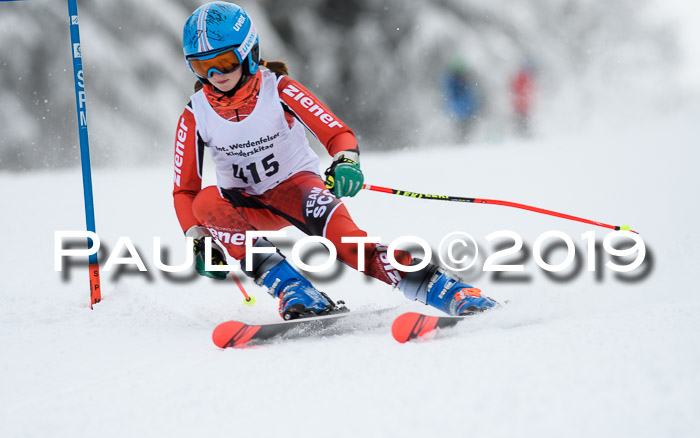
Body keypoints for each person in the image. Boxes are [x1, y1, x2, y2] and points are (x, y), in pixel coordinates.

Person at [174, 2, 497, 320]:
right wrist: (198, 239)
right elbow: (184, 190)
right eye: (202, 66)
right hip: (246, 206)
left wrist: (345, 162)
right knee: (205, 200)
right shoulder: (195, 113)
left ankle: (446, 290)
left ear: (249, 52)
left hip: (296, 191)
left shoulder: (280, 89)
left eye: (226, 62)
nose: (216, 75)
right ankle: (293, 289)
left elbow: (336, 133)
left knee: (351, 246)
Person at [443, 57, 481, 139]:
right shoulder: (454, 82)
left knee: (465, 130)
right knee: (461, 130)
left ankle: (463, 140)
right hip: (459, 109)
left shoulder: (463, 81)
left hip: (464, 109)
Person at [510, 63, 536, 136]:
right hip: (522, 105)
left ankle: (521, 133)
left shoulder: (519, 78)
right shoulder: (527, 79)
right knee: (523, 120)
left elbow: (514, 90)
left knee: (521, 120)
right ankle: (523, 133)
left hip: (520, 105)